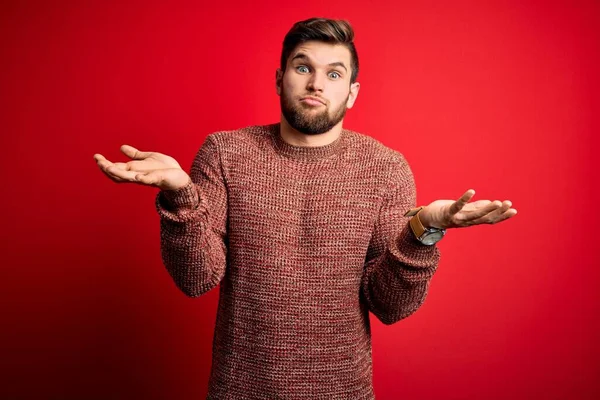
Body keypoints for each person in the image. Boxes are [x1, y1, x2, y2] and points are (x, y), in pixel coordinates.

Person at [94, 17, 516, 400]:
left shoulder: (386, 168)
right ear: (280, 80)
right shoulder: (225, 153)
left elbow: (390, 306)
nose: (317, 84)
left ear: (351, 93)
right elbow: (197, 278)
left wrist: (423, 228)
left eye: (334, 74)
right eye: (303, 68)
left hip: (344, 392)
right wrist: (181, 194)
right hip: (238, 390)